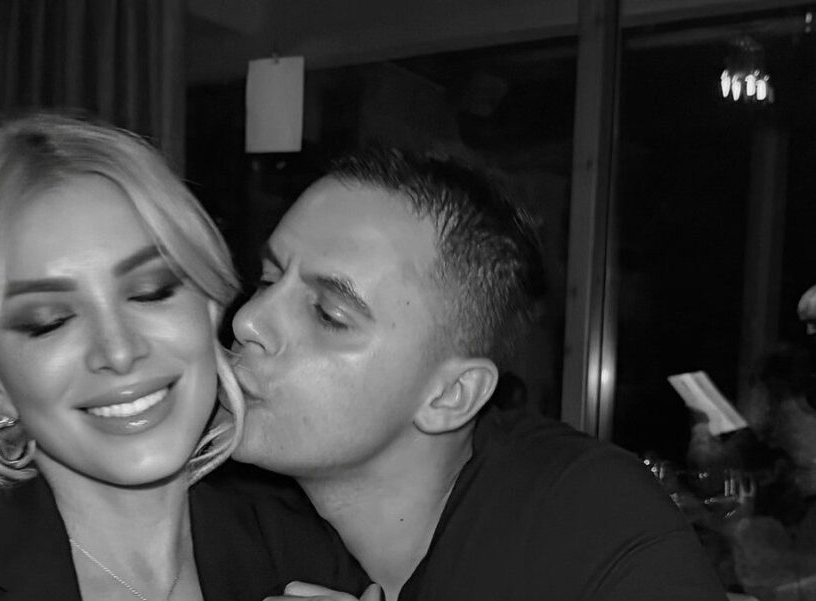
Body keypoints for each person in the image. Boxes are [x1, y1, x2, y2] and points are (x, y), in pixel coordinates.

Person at [0, 114, 369, 600]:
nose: (118, 350)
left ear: (210, 309)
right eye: (49, 321)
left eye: (150, 291)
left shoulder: (303, 551)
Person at [230, 147, 727, 601]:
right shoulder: (220, 505)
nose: (247, 321)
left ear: (451, 395)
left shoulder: (587, 518)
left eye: (328, 315)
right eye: (267, 280)